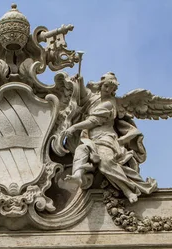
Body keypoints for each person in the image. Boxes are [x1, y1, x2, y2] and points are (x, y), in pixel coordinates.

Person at [63, 72, 157, 203]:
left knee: (105, 163)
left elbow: (93, 121)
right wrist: (80, 81)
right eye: (106, 86)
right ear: (101, 84)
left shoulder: (109, 104)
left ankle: (128, 189)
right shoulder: (95, 97)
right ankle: (77, 175)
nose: (108, 90)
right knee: (81, 150)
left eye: (112, 89)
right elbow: (84, 97)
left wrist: (74, 127)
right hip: (89, 138)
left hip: (105, 138)